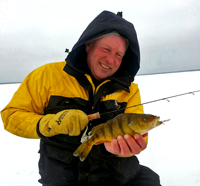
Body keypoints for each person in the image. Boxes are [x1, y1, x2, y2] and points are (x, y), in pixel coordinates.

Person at [1, 11, 161, 186]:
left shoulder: (130, 90)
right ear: (88, 45)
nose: (110, 59)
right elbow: (10, 116)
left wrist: (129, 147)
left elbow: (138, 129)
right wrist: (50, 123)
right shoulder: (46, 76)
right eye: (106, 49)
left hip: (120, 179)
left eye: (119, 55)